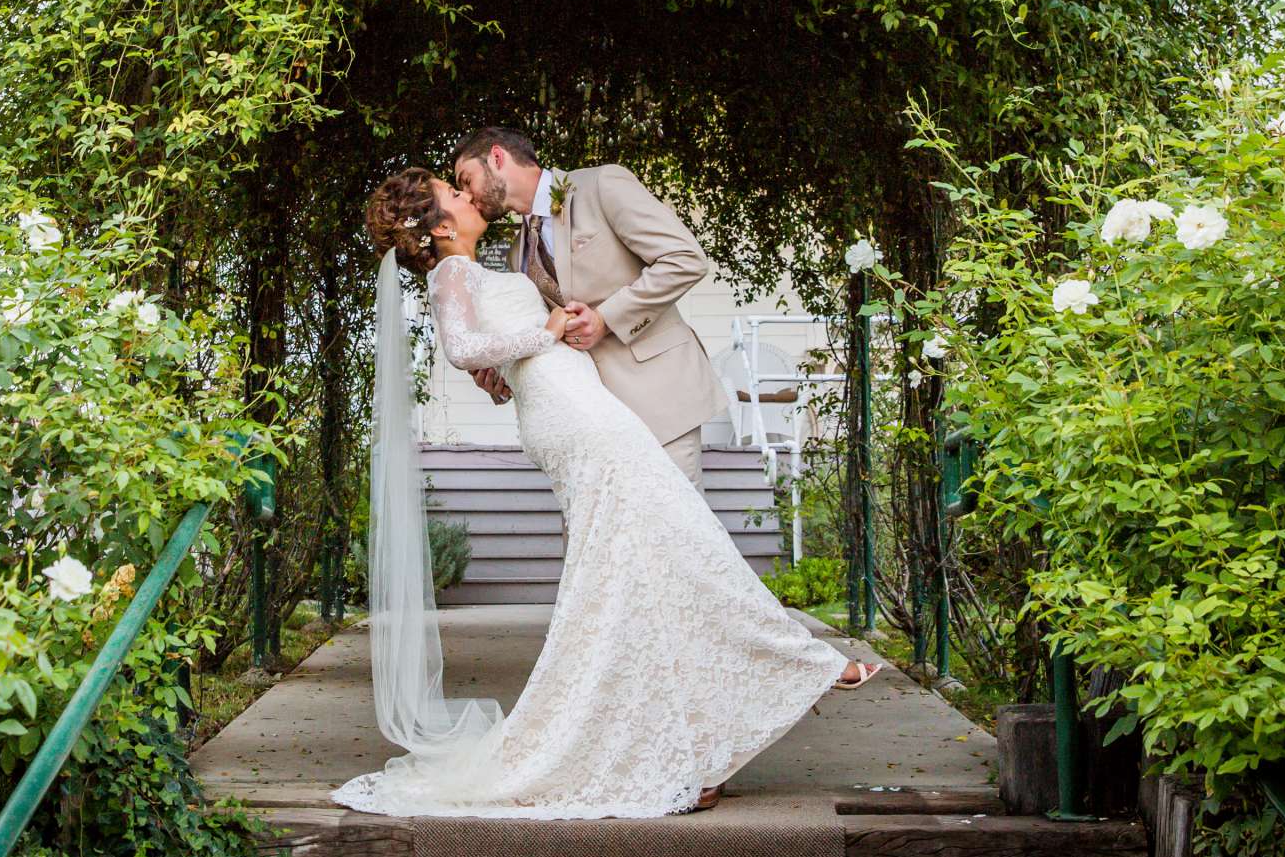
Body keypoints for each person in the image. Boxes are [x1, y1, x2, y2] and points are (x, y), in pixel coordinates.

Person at [330, 167, 879, 821]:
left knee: (645, 565)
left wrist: (529, 349)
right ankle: (806, 663)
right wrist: (548, 333)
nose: (468, 196)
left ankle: (700, 740)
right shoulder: (454, 273)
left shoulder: (486, 267)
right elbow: (461, 348)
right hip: (577, 419)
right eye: (454, 194)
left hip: (582, 408)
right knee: (682, 541)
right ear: (442, 226)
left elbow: (492, 352)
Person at [449, 127, 729, 489]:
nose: (467, 196)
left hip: (661, 403)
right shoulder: (519, 251)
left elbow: (685, 259)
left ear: (497, 158)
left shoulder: (601, 185)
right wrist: (503, 379)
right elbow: (549, 336)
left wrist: (606, 319)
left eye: (466, 179)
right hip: (594, 424)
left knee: (677, 539)